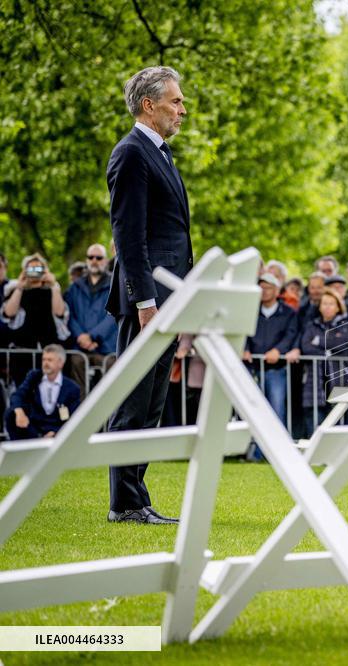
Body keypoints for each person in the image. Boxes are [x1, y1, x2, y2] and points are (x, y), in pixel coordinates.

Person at [105, 66, 192, 524]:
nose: (182, 109)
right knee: (133, 401)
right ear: (148, 105)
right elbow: (128, 237)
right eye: (175, 101)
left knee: (152, 404)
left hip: (168, 298)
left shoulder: (160, 153)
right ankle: (124, 504)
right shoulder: (131, 153)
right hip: (148, 302)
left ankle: (136, 498)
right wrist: (145, 303)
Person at [243, 273, 300, 456]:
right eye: (261, 287)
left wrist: (278, 350)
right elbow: (244, 332)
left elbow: (292, 334)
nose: (264, 291)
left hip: (276, 369)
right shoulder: (250, 311)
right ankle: (256, 453)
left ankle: (278, 453)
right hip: (253, 368)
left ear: (276, 291)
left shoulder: (289, 312)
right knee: (254, 412)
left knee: (276, 410)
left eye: (268, 288)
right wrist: (245, 348)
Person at [299, 288, 348, 433]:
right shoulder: (311, 325)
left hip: (339, 379)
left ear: (338, 307)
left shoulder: (344, 324)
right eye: (324, 303)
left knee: (339, 421)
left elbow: (340, 343)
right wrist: (327, 351)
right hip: (315, 380)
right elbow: (306, 346)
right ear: (319, 306)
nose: (327, 307)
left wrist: (318, 341)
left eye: (331, 304)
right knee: (315, 421)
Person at [64, 243, 117, 394]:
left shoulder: (115, 284)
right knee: (76, 366)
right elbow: (69, 315)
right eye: (91, 257)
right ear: (86, 260)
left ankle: (109, 409)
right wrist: (81, 337)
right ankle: (82, 408)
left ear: (105, 260)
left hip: (106, 348)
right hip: (80, 348)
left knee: (109, 384)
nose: (94, 261)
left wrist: (93, 337)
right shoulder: (75, 287)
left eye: (99, 258)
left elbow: (114, 315)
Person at [4, 345, 81, 440]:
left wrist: (56, 432)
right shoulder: (34, 377)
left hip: (57, 428)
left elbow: (74, 416)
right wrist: (19, 412)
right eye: (44, 360)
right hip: (34, 426)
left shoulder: (72, 388)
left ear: (60, 363)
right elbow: (18, 395)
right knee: (11, 413)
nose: (45, 363)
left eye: (50, 360)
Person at [2, 253, 71, 353]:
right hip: (22, 348)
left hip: (49, 348)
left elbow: (59, 313)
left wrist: (53, 285)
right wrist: (20, 287)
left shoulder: (52, 290)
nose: (34, 272)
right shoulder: (16, 291)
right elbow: (8, 313)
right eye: (31, 269)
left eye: (38, 269)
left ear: (44, 270)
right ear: (24, 271)